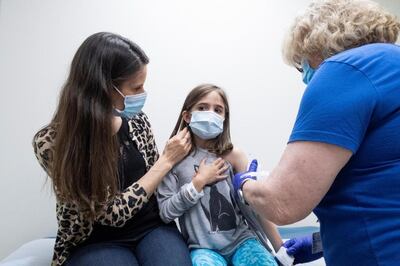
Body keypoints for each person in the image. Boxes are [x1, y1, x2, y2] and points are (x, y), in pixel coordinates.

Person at [233, 0, 400, 265]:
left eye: (302, 65)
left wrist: (245, 184)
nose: (304, 76)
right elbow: (381, 182)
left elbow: (283, 203)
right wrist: (318, 242)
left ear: (315, 44)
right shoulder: (391, 65)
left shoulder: (343, 70)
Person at [32, 32, 193, 266]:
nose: (142, 95)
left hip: (151, 227)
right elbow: (111, 214)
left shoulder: (138, 121)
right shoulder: (51, 143)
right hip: (94, 240)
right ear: (104, 88)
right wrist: (166, 160)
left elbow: (157, 186)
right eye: (136, 87)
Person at [157, 84, 297, 266]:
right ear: (187, 116)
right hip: (203, 249)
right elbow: (166, 213)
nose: (210, 113)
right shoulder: (173, 159)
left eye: (218, 110)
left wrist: (281, 249)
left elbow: (257, 205)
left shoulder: (234, 156)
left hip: (242, 241)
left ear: (224, 118)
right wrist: (198, 182)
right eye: (202, 108)